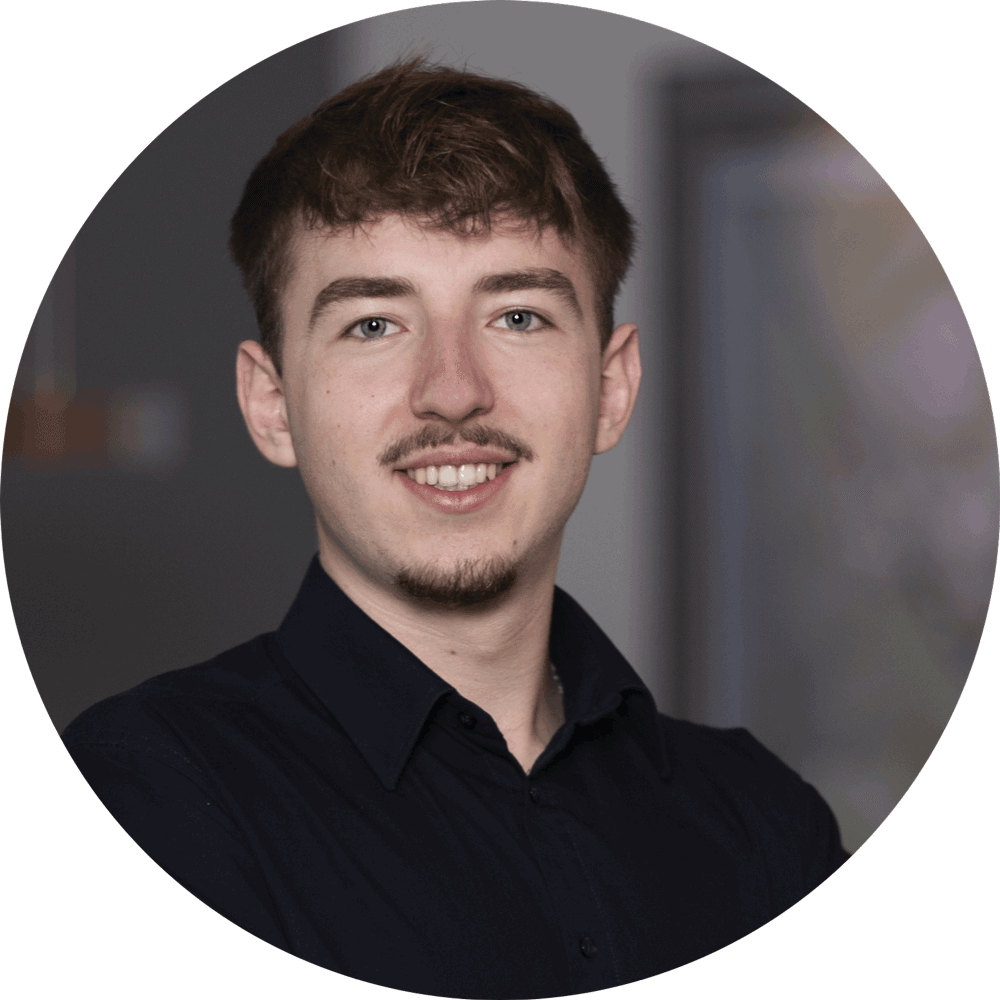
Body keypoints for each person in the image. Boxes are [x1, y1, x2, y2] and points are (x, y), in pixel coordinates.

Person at [63, 58, 849, 994]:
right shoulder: (146, 798)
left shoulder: (768, 825)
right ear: (272, 406)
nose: (452, 392)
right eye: (373, 325)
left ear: (611, 388)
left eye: (517, 316)